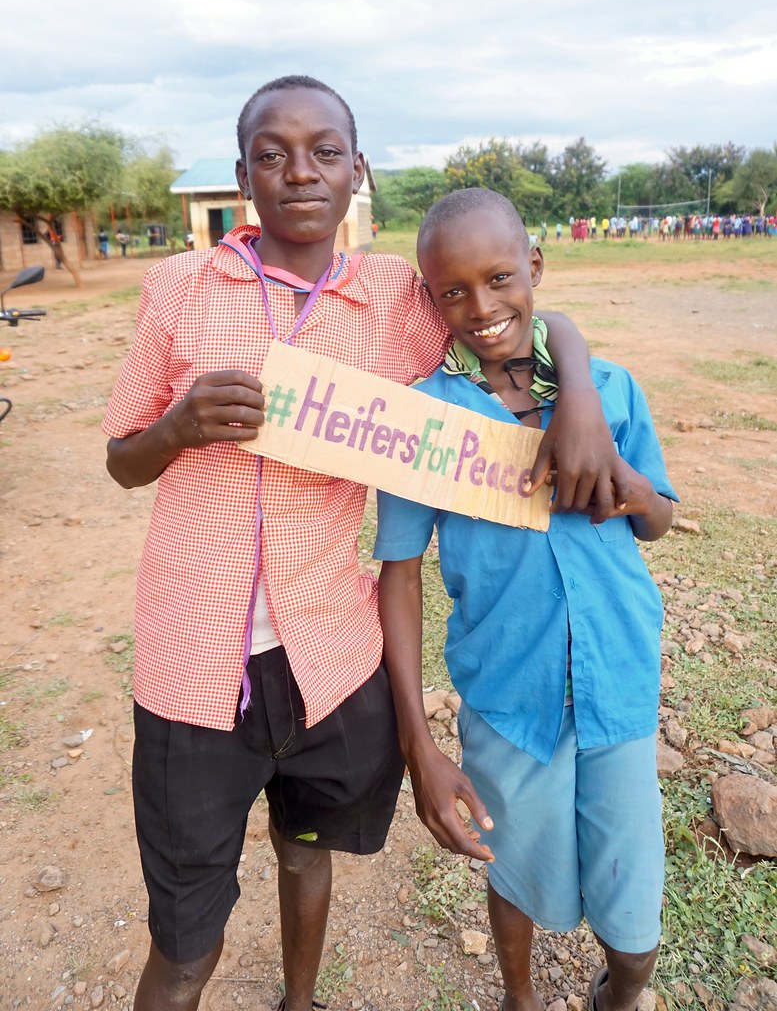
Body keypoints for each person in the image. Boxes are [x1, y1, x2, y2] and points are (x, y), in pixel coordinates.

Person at [102, 77, 629, 1011]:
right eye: (271, 154)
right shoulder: (178, 289)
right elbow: (121, 459)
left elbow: (508, 320)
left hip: (327, 659)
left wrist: (577, 383)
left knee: (306, 852)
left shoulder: (391, 295)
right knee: (184, 940)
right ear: (241, 174)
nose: (298, 172)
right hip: (192, 663)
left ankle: (298, 1002)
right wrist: (176, 428)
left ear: (358, 172)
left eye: (324, 153)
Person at [375, 188, 677, 1011]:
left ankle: (619, 993)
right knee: (509, 863)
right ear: (429, 297)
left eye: (501, 277)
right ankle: (518, 998)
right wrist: (417, 744)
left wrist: (631, 490)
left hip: (616, 679)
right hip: (508, 693)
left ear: (534, 266)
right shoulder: (427, 419)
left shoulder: (609, 388)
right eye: (453, 291)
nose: (481, 306)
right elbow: (398, 569)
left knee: (633, 892)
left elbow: (659, 519)